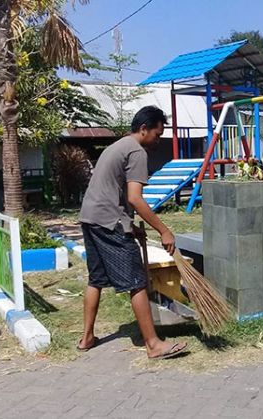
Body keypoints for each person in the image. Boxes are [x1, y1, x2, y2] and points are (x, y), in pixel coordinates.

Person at [77, 106, 187, 360]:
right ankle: (153, 344)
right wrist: (164, 230)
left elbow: (111, 190)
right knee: (137, 281)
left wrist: (133, 226)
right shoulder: (137, 151)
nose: (158, 141)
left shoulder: (117, 146)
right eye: (157, 135)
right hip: (108, 221)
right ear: (143, 129)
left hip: (90, 217)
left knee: (96, 279)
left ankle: (86, 338)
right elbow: (135, 198)